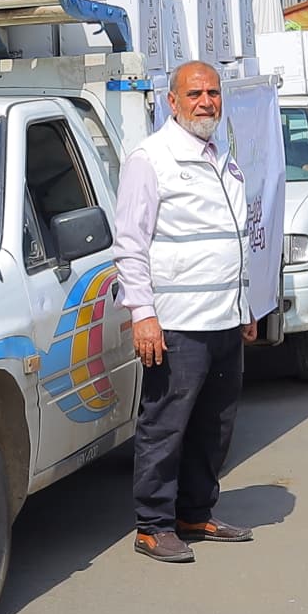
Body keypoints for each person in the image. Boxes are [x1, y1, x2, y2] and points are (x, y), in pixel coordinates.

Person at [112, 60, 262, 564]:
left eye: (213, 93)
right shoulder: (151, 159)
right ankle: (153, 525)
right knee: (166, 426)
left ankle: (195, 511)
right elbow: (130, 244)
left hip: (222, 317)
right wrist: (143, 314)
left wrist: (245, 305)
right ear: (171, 102)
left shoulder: (222, 157)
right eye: (194, 93)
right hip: (176, 324)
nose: (206, 102)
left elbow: (232, 239)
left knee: (214, 426)